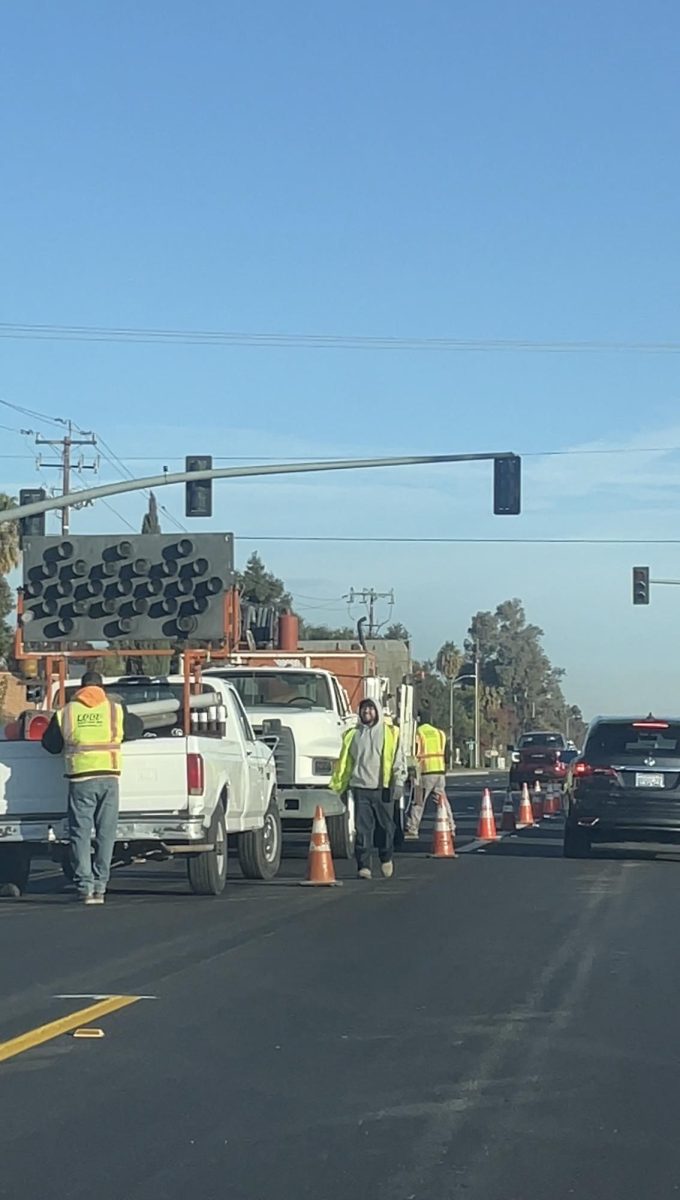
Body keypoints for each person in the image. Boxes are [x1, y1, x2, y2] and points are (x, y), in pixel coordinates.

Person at [42, 670, 143, 904]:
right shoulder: (113, 710)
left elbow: (50, 744)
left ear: (81, 688)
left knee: (81, 834)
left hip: (80, 779)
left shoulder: (66, 712)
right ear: (101, 688)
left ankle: (85, 887)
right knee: (106, 834)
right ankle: (101, 886)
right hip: (109, 777)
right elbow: (136, 728)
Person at [330, 698, 404, 880]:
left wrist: (399, 782)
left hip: (383, 789)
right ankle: (364, 866)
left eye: (371, 709)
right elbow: (345, 764)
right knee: (362, 831)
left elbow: (398, 760)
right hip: (360, 789)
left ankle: (386, 857)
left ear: (377, 711)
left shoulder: (390, 734)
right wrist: (338, 788)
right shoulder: (352, 735)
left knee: (386, 829)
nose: (367, 712)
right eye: (364, 709)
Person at [405, 713, 455, 840]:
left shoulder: (417, 734)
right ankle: (450, 826)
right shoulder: (440, 733)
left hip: (425, 771)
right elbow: (447, 753)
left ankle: (412, 828)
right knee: (442, 800)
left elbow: (414, 753)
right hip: (439, 771)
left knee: (418, 801)